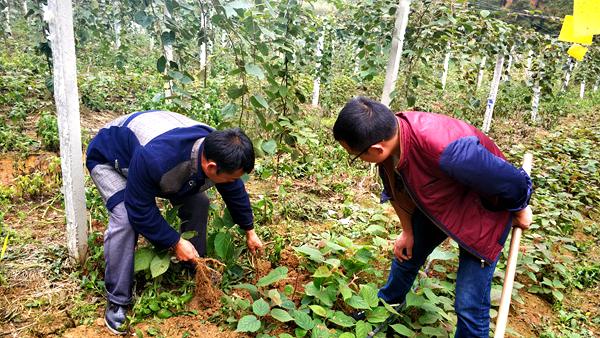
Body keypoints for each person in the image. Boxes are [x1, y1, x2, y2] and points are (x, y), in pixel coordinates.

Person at [332, 97, 532, 337]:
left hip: (482, 212)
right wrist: (408, 231)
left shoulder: (449, 151)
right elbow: (397, 191)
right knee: (406, 256)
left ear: (376, 148)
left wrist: (520, 206)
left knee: (469, 304)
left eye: (354, 155)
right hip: (439, 200)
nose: (358, 159)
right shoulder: (391, 141)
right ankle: (382, 310)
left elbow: (513, 182)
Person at [86, 110, 264, 335]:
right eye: (229, 177)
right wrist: (174, 241)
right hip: (110, 158)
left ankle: (195, 266)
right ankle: (117, 300)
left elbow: (234, 188)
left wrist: (250, 230)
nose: (231, 182)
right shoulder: (156, 158)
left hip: (158, 159)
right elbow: (139, 209)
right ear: (211, 167)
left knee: (198, 202)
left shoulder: (218, 150)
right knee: (126, 219)